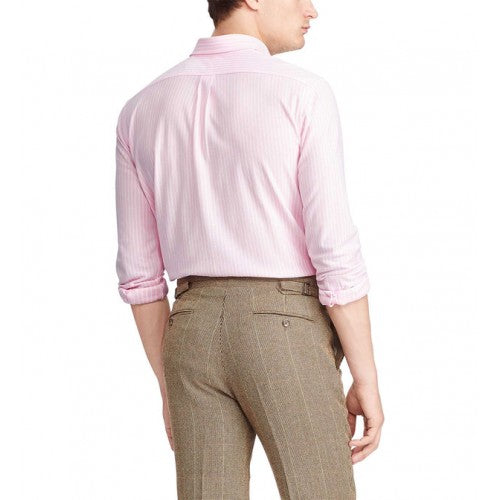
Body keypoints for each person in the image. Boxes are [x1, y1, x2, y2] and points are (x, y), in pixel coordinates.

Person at [114, 1, 384, 498]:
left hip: (189, 334)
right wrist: (365, 375)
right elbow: (334, 250)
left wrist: (168, 383)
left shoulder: (142, 108)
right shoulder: (302, 93)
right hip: (283, 328)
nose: (312, 10)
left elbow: (140, 276)